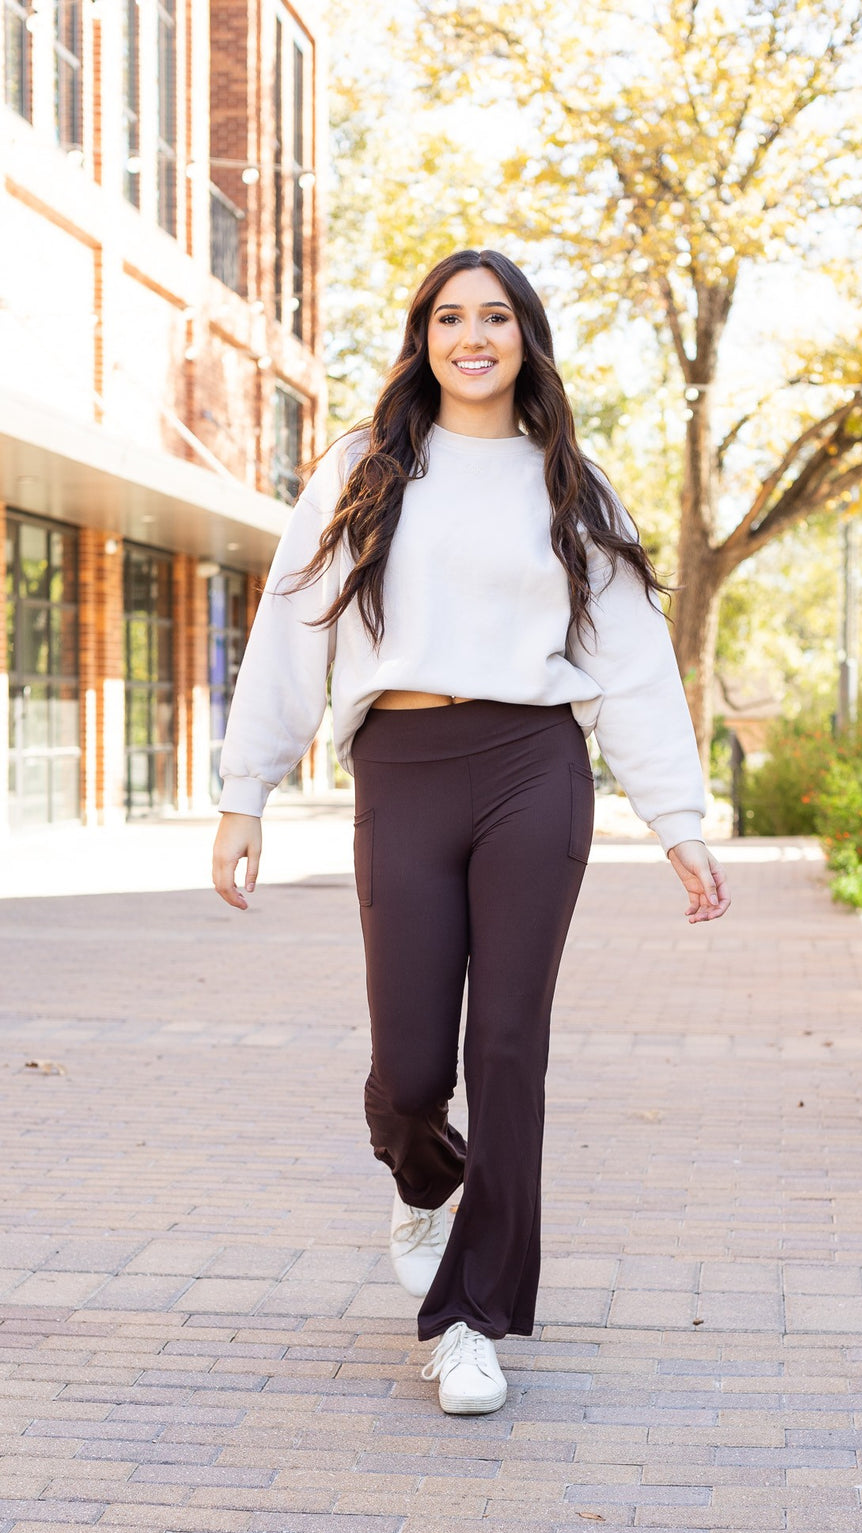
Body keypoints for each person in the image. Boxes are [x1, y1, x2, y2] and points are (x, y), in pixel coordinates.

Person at [211, 247, 730, 1417]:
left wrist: (679, 822)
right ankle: (422, 1181)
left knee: (505, 1048)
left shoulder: (572, 487)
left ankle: (471, 1320)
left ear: (525, 339)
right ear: (424, 338)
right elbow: (293, 629)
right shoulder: (364, 468)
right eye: (451, 317)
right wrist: (246, 790)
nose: (473, 336)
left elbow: (632, 665)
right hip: (401, 767)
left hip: (533, 769)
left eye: (496, 317)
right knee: (408, 1072)